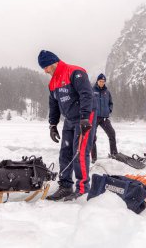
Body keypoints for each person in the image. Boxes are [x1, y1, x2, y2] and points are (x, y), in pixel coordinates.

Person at [38, 50, 97, 201]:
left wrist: (85, 118)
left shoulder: (75, 72)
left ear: (54, 63)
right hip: (70, 119)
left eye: (46, 67)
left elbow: (86, 94)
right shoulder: (53, 83)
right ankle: (65, 186)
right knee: (65, 153)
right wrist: (52, 125)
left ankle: (83, 188)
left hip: (85, 117)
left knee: (80, 152)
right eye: (43, 68)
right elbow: (54, 105)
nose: (45, 71)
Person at [91, 73, 117, 162]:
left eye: (103, 81)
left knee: (112, 133)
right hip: (94, 118)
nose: (102, 83)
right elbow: (87, 102)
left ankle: (114, 154)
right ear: (97, 81)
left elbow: (111, 103)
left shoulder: (107, 92)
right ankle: (94, 158)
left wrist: (109, 110)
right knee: (92, 137)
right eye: (100, 81)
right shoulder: (92, 90)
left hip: (104, 118)